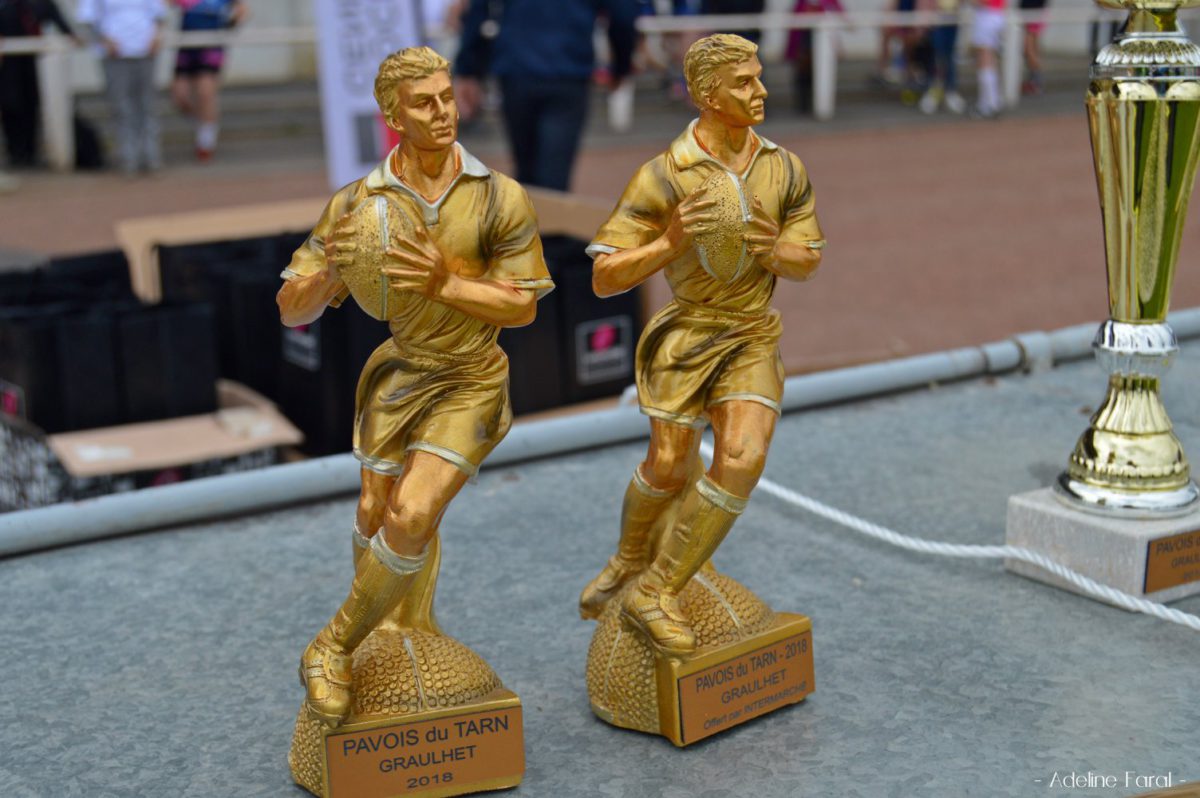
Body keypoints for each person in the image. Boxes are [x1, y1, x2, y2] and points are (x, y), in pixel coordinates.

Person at [277, 46, 553, 727]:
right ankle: (399, 633)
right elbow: (290, 307)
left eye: (447, 96)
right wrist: (331, 275)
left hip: (470, 376)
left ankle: (331, 646)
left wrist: (446, 283)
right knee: (376, 514)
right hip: (399, 372)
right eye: (424, 102)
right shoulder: (360, 203)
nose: (442, 111)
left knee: (411, 512)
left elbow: (522, 306)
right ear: (391, 114)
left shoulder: (497, 194)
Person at [580, 34, 825, 655]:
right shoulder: (665, 172)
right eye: (744, 82)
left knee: (740, 461)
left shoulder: (783, 166)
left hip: (750, 333)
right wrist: (665, 244)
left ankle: (657, 588)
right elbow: (605, 276)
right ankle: (629, 556)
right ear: (705, 95)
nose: (761, 90)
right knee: (667, 465)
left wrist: (774, 250)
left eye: (759, 76)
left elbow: (809, 258)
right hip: (687, 334)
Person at [455, 0, 637, 191]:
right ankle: (550, 214)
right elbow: (623, 15)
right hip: (568, 72)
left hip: (517, 70)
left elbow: (479, 10)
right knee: (554, 176)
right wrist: (621, 68)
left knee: (526, 169)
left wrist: (468, 68)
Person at [76, 0, 167, 174]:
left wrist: (156, 37)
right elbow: (87, 18)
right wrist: (106, 40)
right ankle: (129, 158)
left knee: (148, 106)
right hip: (115, 55)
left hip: (145, 52)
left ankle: (151, 157)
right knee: (122, 107)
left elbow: (159, 15)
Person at [0, 0, 77, 167]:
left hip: (34, 65)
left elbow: (63, 26)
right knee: (10, 108)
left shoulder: (41, 4)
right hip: (7, 67)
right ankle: (15, 153)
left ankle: (29, 154)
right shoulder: (5, 6)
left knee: (31, 107)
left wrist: (72, 37)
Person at [169, 0, 245, 161]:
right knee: (180, 96)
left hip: (212, 44)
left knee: (205, 92)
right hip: (187, 45)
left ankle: (206, 141)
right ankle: (203, 124)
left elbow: (242, 10)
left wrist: (229, 24)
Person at [917, 0, 965, 114]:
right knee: (936, 54)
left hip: (952, 16)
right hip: (936, 16)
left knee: (949, 55)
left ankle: (950, 91)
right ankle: (933, 92)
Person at [971, 0, 1005, 117]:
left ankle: (991, 104)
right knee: (990, 61)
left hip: (987, 16)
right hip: (995, 15)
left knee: (984, 61)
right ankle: (987, 102)